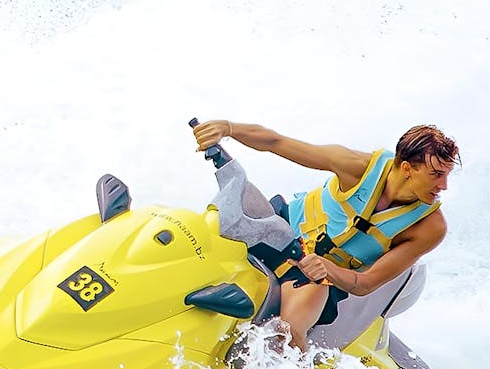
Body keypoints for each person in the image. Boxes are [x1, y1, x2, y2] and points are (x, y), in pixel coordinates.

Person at [192, 119, 459, 352]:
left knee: (285, 337)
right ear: (406, 168)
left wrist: (327, 268)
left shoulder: (429, 228)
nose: (443, 186)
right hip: (272, 230)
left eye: (446, 175)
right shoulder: (356, 167)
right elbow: (276, 141)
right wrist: (227, 128)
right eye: (436, 174)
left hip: (313, 277)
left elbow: (365, 283)